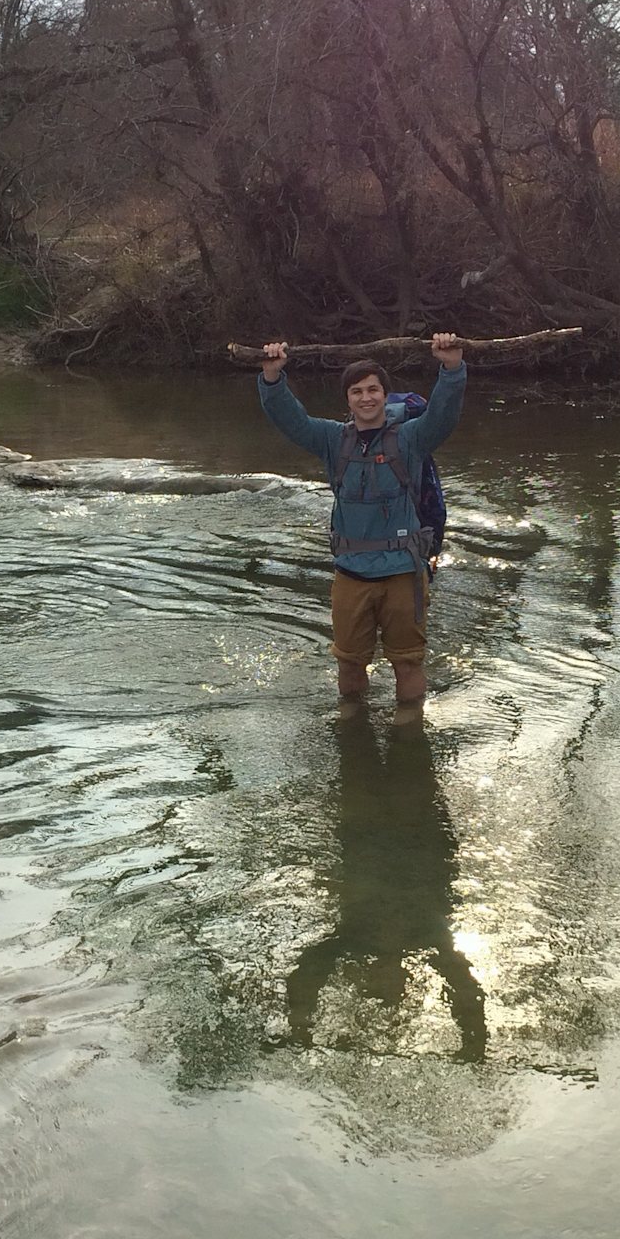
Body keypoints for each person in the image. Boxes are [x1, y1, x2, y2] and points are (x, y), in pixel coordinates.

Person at [259, 331, 466, 709]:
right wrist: (273, 377)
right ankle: (352, 728)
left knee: (408, 662)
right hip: (351, 575)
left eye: (373, 390)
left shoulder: (411, 438)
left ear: (385, 396)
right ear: (348, 400)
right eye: (357, 391)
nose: (366, 397)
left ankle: (409, 730)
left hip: (403, 573)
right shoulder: (332, 439)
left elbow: (443, 416)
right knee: (350, 664)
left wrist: (451, 368)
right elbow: (292, 421)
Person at [284, 708, 491, 1061]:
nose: (380, 978)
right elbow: (464, 988)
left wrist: (300, 1025)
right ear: (404, 980)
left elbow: (306, 974)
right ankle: (393, 690)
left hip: (365, 830)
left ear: (363, 976)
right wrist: (473, 1039)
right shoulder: (429, 938)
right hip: (419, 830)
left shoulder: (352, 938)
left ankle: (361, 695)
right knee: (407, 737)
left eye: (373, 983)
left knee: (355, 739)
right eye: (389, 985)